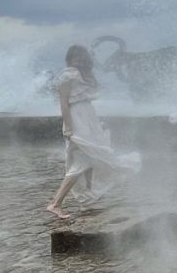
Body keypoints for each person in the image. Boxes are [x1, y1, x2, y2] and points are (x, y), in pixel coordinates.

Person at [47, 45, 141, 219]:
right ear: (69, 58)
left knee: (91, 159)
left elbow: (97, 80)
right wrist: (68, 127)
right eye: (75, 57)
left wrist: (96, 124)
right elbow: (64, 103)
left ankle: (87, 202)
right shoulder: (67, 75)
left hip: (87, 116)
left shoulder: (83, 75)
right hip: (76, 119)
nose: (79, 60)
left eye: (82, 57)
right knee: (82, 161)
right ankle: (55, 204)